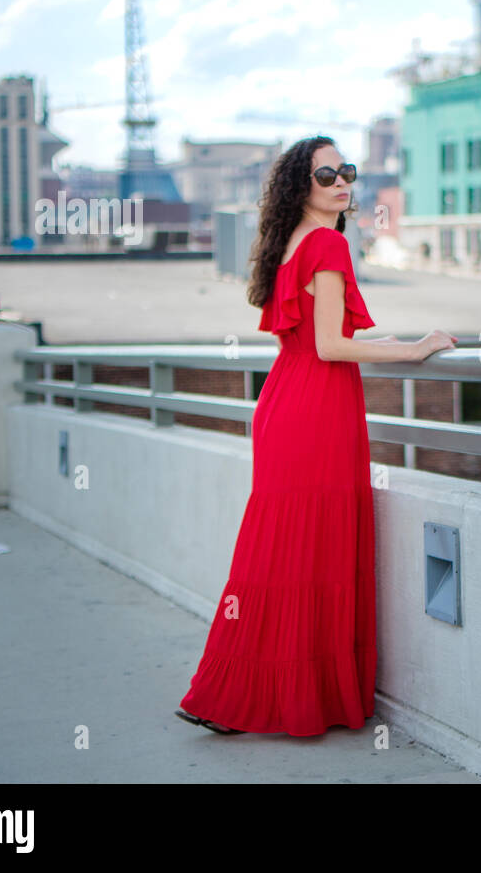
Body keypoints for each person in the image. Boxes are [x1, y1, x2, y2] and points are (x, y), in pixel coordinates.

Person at [175, 136, 456, 735]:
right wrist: (418, 348)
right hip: (316, 411)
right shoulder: (327, 244)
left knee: (280, 555)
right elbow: (332, 346)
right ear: (300, 186)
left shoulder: (291, 245)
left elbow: (312, 342)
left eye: (346, 172)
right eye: (326, 175)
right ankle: (291, 697)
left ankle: (246, 693)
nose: (341, 183)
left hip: (287, 402)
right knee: (311, 553)